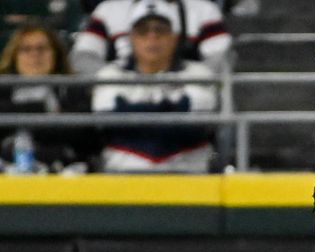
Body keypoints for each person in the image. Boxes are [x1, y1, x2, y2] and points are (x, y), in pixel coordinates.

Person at [91, 0, 217, 173]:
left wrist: (132, 112)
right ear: (131, 38)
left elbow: (193, 127)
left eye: (160, 30)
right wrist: (171, 110)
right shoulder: (110, 74)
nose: (152, 37)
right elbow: (110, 124)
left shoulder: (198, 73)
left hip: (188, 176)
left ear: (174, 37)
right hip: (122, 178)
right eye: (143, 31)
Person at [0, 24, 96, 172]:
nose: (35, 55)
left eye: (42, 48)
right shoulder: (3, 88)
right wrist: (43, 111)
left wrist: (21, 118)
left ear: (55, 54)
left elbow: (84, 136)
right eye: (26, 49)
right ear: (14, 56)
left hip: (61, 170)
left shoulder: (72, 89)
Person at [70, 0, 231, 74]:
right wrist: (116, 81)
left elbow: (222, 58)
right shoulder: (108, 9)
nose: (152, 36)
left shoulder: (203, 9)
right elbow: (82, 57)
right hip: (122, 99)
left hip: (185, 99)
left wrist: (188, 81)